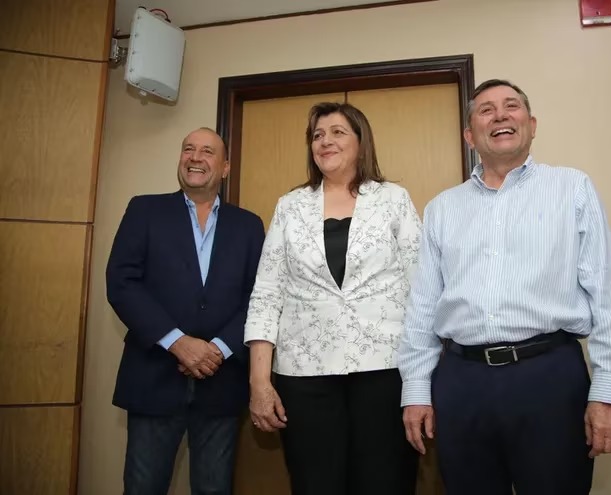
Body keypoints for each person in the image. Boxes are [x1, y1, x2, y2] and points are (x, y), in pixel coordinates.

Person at [398, 79, 611, 495]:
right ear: (470, 135)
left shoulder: (572, 188)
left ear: (532, 124)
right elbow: (422, 308)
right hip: (461, 381)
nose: (501, 115)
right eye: (486, 110)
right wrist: (416, 390)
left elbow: (608, 298)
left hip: (549, 377)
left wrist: (608, 392)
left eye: (511, 106)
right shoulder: (442, 209)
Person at [244, 102, 422, 495]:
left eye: (338, 132)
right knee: (314, 484)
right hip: (305, 377)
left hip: (386, 371)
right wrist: (260, 381)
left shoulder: (393, 199)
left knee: (385, 482)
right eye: (317, 135)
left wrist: (425, 378)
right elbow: (267, 294)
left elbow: (421, 288)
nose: (325, 141)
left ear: (361, 142)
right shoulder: (290, 206)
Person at [106, 127, 265, 495]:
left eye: (208, 151)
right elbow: (122, 282)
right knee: (143, 487)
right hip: (153, 379)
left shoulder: (249, 225)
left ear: (225, 167)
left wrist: (218, 349)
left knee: (214, 488)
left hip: (222, 383)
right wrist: (178, 342)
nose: (196, 157)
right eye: (188, 149)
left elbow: (259, 298)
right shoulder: (144, 209)